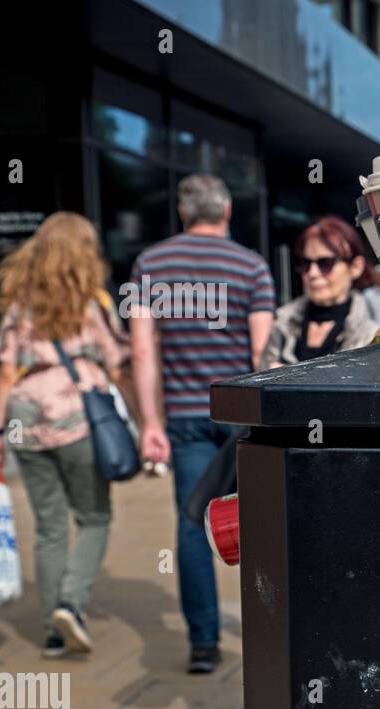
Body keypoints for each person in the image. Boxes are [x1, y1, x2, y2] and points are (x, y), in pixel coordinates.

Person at [129, 173, 275, 673]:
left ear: (182, 212)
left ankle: (204, 644)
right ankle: (271, 629)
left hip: (185, 416)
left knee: (194, 523)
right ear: (228, 211)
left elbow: (142, 350)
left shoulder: (150, 264)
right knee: (258, 521)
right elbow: (263, 353)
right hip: (237, 415)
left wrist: (150, 422)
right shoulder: (251, 265)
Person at [0, 212, 129, 657]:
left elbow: (6, 373)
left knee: (48, 527)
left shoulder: (20, 305)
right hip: (77, 417)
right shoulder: (91, 305)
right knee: (95, 517)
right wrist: (143, 422)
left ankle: (51, 631)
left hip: (25, 419)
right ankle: (71, 602)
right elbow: (117, 364)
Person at [260, 216, 380, 370]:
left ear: (355, 267)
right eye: (305, 263)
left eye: (325, 263)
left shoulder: (374, 337)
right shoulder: (281, 324)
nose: (312, 273)